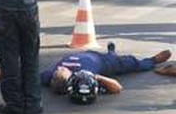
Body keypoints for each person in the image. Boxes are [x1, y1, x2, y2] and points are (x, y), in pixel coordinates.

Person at [39, 43, 172, 96]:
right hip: (107, 63)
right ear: (69, 78)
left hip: (89, 52)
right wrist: (96, 77)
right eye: (60, 72)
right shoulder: (82, 78)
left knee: (112, 55)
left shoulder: (48, 76)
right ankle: (153, 60)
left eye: (57, 71)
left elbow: (29, 79)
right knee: (131, 63)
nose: (60, 68)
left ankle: (111, 51)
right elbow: (116, 87)